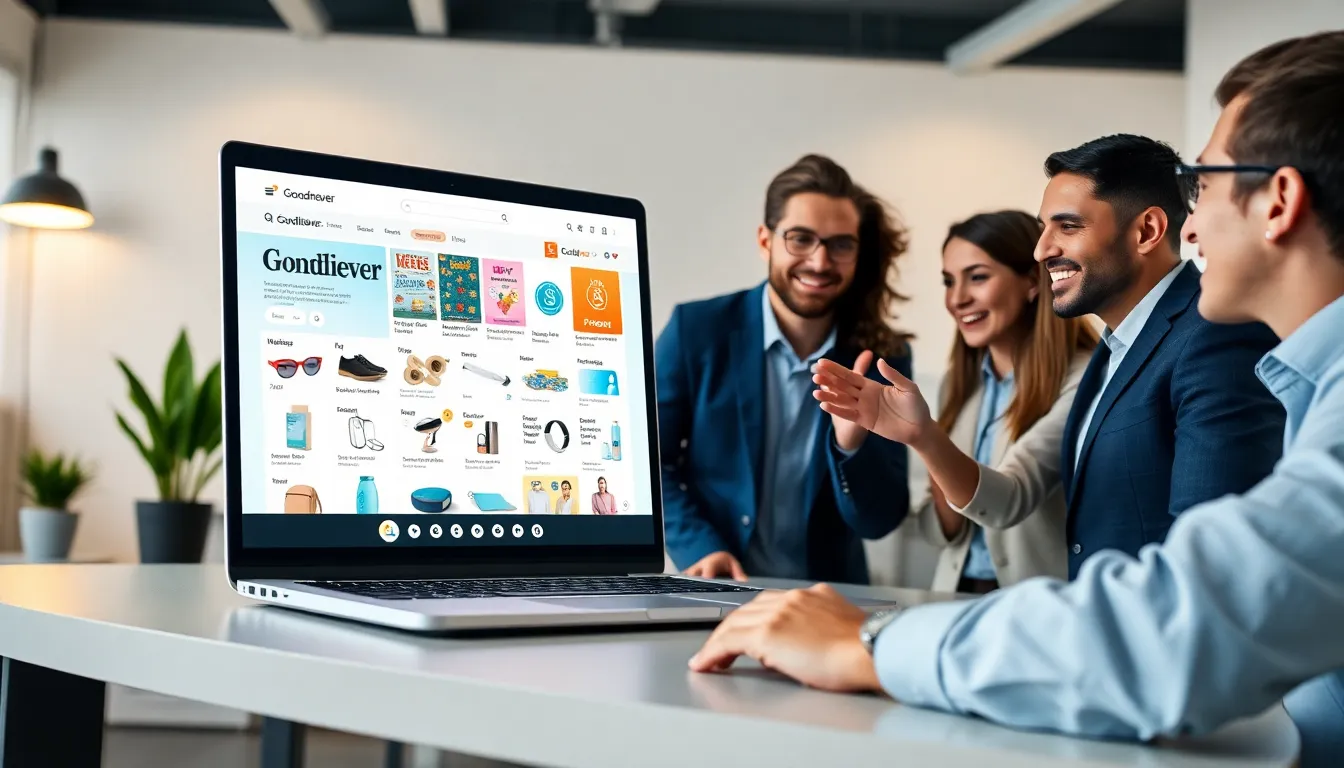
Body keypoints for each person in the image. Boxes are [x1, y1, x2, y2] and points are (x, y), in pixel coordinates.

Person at [689, 30, 1344, 767]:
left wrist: (867, 643)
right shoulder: (1126, 358)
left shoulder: (1209, 350)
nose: (1195, 224)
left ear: (1279, 200)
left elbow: (1187, 616)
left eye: (1209, 186)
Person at [817, 134, 1285, 579]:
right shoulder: (1115, 350)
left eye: (1068, 226)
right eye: (1044, 228)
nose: (1042, 250)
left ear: (1146, 230)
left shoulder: (1213, 337)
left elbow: (1208, 559)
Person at [657, 154, 913, 583]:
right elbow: (651, 465)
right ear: (765, 241)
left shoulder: (883, 355)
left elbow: (880, 520)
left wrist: (851, 448)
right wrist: (701, 545)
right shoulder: (694, 330)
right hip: (716, 589)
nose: (819, 261)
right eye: (800, 239)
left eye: (840, 244)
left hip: (829, 602)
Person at [913, 210, 1097, 593]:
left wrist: (925, 437)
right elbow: (942, 530)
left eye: (977, 277)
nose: (957, 299)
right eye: (949, 281)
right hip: (954, 594)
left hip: (1036, 605)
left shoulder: (1084, 379)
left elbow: (1007, 502)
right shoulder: (957, 386)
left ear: (1032, 282)